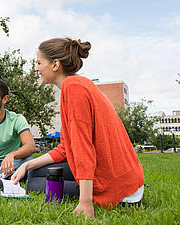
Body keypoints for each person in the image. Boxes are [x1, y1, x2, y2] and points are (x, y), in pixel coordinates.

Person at [11, 38, 145, 217]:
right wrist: (27, 165)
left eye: (39, 63)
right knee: (34, 172)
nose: (36, 68)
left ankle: (88, 194)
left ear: (55, 64)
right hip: (119, 175)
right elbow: (66, 148)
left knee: (33, 184)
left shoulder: (74, 89)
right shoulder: (75, 85)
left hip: (118, 186)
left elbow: (83, 148)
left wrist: (85, 203)